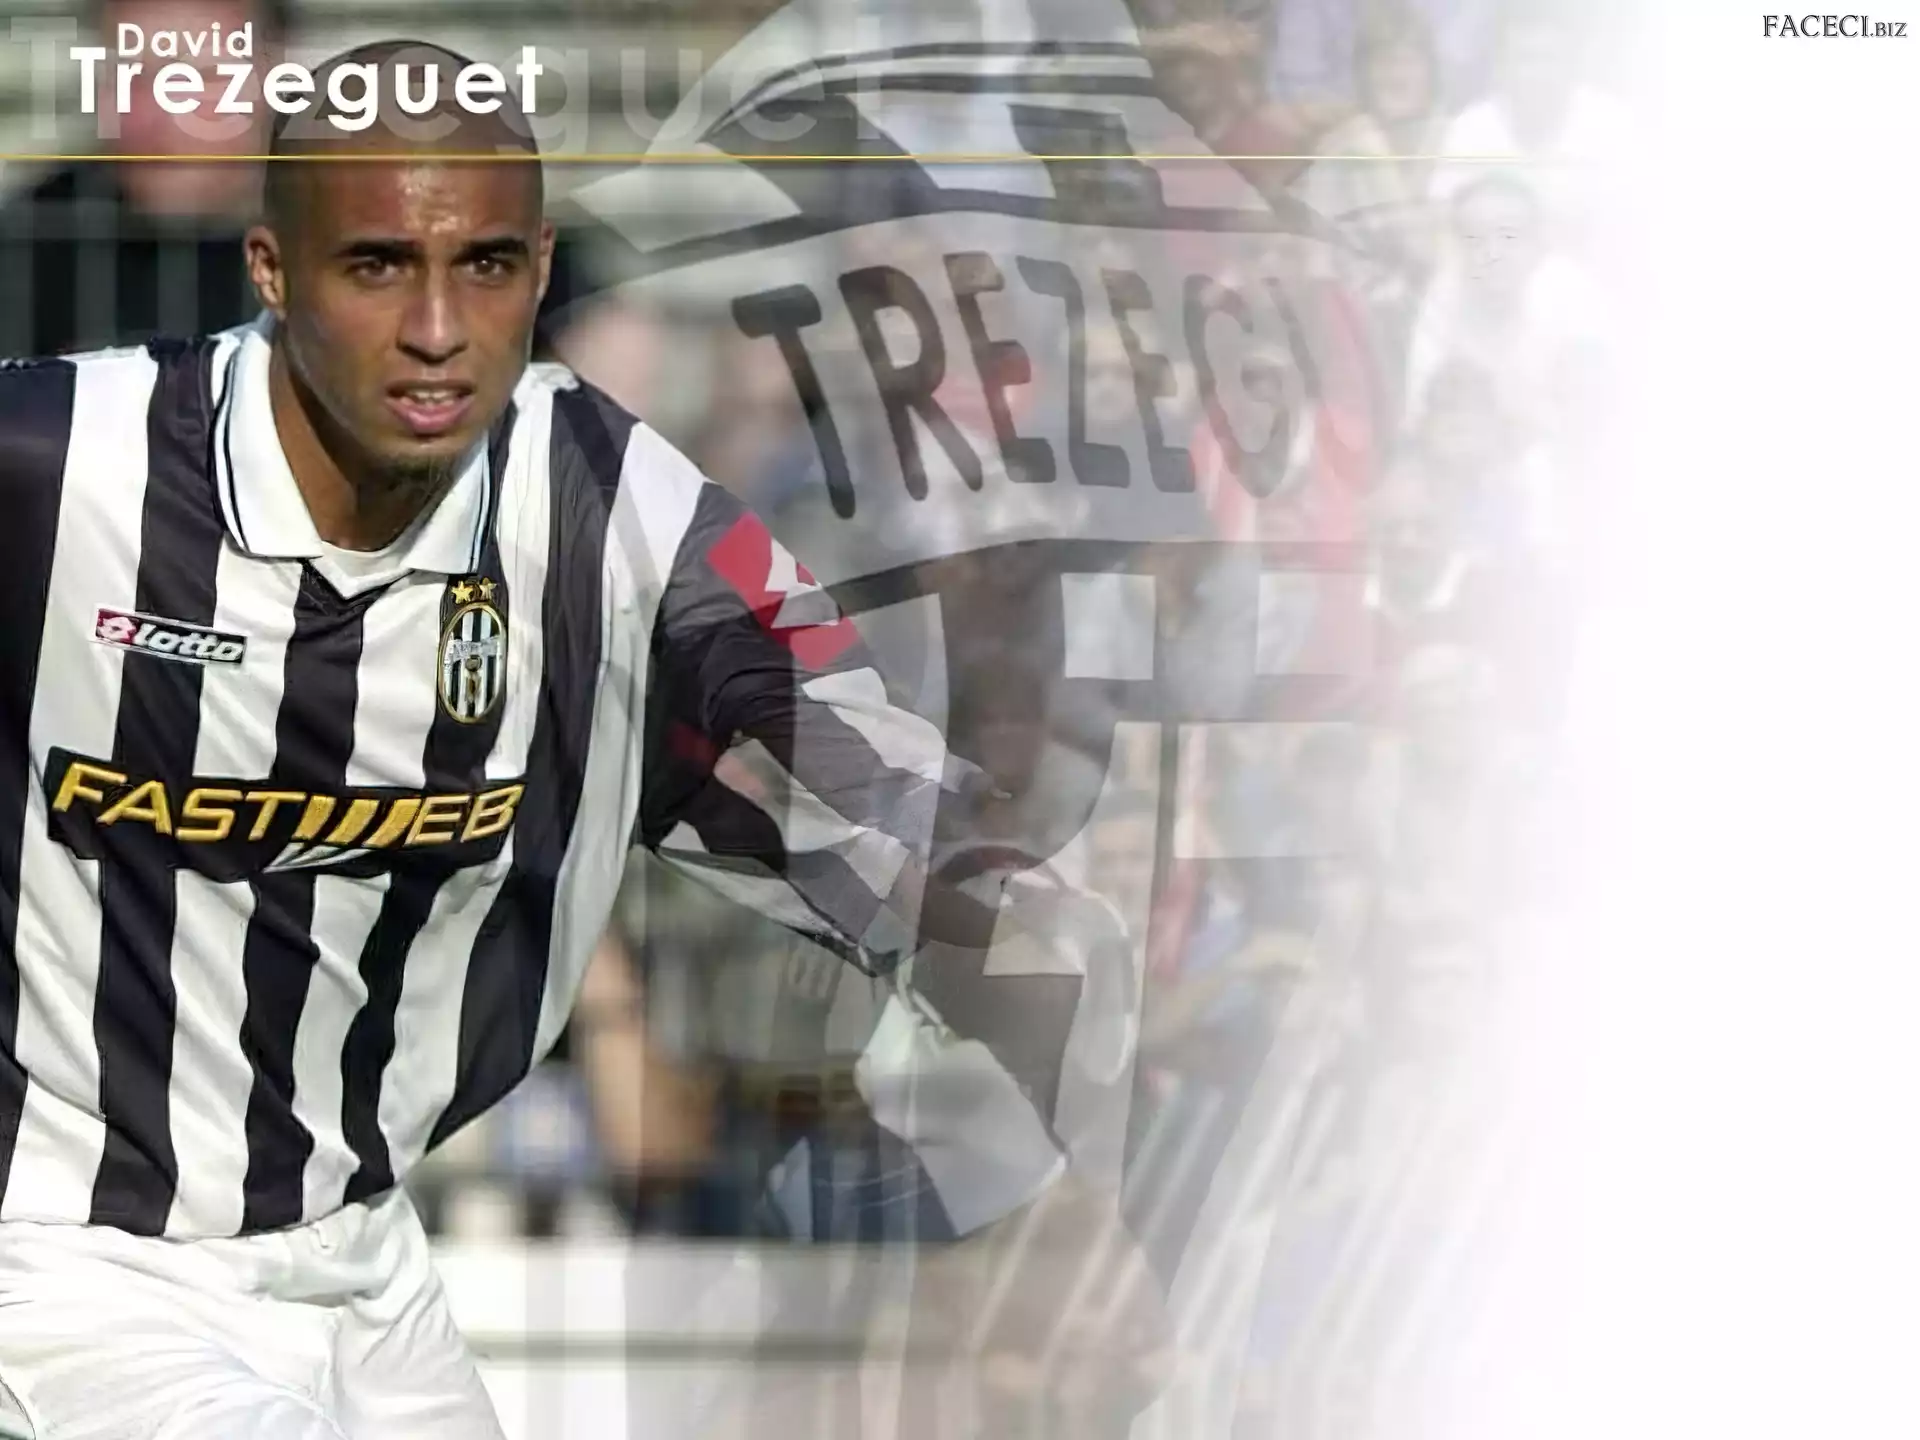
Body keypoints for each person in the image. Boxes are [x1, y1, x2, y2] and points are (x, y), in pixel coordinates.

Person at [0, 39, 1165, 1440]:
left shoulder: (612, 507)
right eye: (377, 266)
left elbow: (874, 794)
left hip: (361, 1262)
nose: (439, 327)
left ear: (544, 267)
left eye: (488, 265)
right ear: (272, 268)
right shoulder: (58, 467)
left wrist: (1087, 1025)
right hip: (63, 1260)